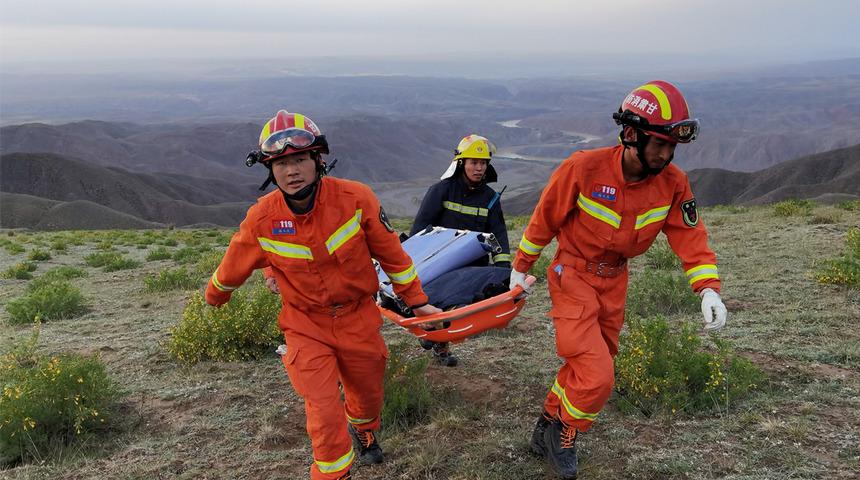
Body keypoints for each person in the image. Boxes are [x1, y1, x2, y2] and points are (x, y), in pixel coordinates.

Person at [205, 110, 442, 480]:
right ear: (270, 170)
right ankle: (333, 474)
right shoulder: (262, 219)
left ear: (318, 160)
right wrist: (215, 297)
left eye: (299, 159)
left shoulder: (356, 199)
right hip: (305, 325)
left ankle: (363, 430)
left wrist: (417, 300)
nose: (291, 170)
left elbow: (393, 256)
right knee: (322, 408)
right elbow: (232, 265)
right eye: (281, 163)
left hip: (358, 317)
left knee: (366, 395)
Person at [508, 81, 728, 479]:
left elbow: (688, 235)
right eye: (658, 143)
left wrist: (707, 287)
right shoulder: (583, 168)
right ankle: (565, 434)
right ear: (631, 135)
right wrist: (521, 267)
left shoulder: (674, 182)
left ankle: (545, 426)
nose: (666, 154)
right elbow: (545, 218)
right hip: (571, 275)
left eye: (671, 146)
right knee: (597, 375)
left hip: (615, 282)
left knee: (587, 366)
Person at [408, 134, 511, 367]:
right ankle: (437, 342)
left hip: (472, 264)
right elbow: (420, 228)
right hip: (440, 261)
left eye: (483, 163)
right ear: (462, 163)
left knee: (457, 305)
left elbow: (499, 232)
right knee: (437, 302)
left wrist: (503, 268)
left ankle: (438, 339)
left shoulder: (490, 199)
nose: (479, 168)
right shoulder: (441, 190)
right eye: (474, 162)